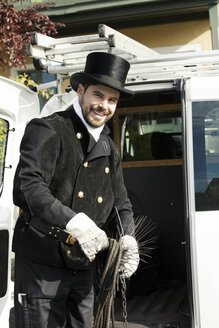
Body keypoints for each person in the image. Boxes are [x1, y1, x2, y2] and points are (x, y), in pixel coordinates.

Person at [12, 51, 140, 328]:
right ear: (80, 90)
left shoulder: (108, 146)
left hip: (84, 264)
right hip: (41, 264)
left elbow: (121, 203)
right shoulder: (48, 128)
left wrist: (128, 238)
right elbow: (29, 187)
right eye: (98, 95)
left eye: (112, 100)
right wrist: (72, 221)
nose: (103, 105)